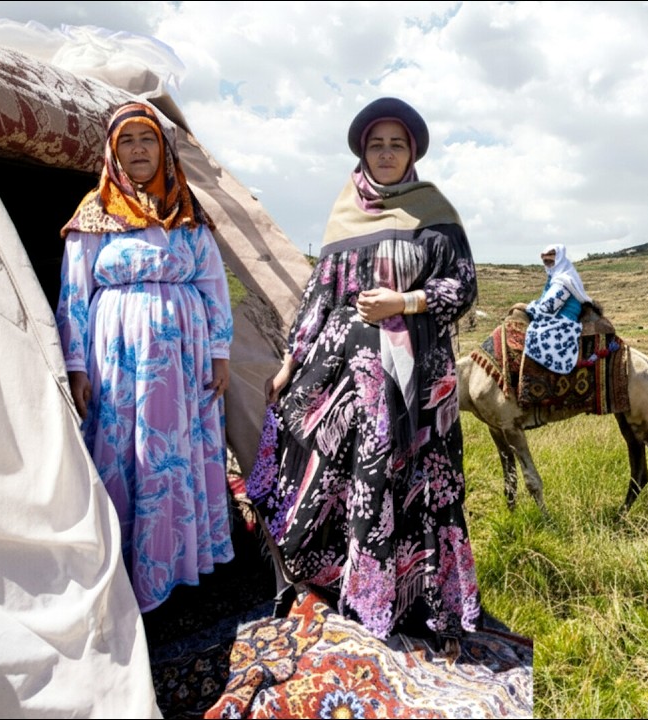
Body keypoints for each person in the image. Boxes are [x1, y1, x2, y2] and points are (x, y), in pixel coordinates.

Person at [247, 97, 481, 645]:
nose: (386, 153)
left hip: (419, 378)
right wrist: (288, 364)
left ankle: (423, 600)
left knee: (417, 483)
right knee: (354, 475)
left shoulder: (434, 211)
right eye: (376, 144)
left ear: (413, 151)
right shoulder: (344, 211)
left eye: (396, 144)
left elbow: (463, 285)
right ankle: (360, 589)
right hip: (351, 375)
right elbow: (319, 299)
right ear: (362, 151)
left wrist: (406, 302)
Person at [55, 101, 235, 612]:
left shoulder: (186, 211)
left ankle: (179, 562)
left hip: (183, 360)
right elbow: (74, 294)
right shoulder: (95, 214)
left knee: (176, 454)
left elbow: (212, 284)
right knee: (126, 454)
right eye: (127, 139)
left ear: (163, 148)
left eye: (148, 138)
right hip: (117, 359)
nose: (138, 149)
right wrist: (76, 365)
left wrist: (219, 352)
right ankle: (126, 569)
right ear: (113, 150)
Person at [523, 243, 593, 375]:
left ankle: (544, 374)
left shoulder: (564, 280)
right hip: (557, 315)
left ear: (559, 258)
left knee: (537, 334)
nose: (548, 264)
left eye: (551, 260)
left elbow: (546, 308)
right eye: (546, 261)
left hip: (564, 320)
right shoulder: (555, 277)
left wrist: (527, 307)